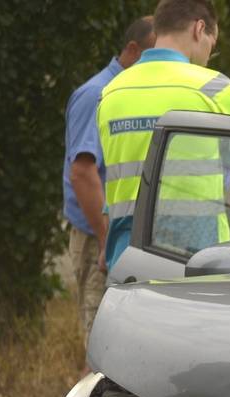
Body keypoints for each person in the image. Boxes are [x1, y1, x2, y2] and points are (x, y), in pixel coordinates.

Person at [97, 0, 230, 271]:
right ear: (199, 29)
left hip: (126, 257)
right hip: (198, 258)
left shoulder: (111, 92)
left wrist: (106, 243)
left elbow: (116, 178)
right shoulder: (217, 89)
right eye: (212, 44)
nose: (209, 55)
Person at [63, 16, 155, 345]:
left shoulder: (128, 92)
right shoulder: (97, 94)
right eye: (153, 54)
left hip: (112, 237)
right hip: (96, 239)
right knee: (101, 342)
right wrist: (106, 240)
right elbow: (83, 172)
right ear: (132, 50)